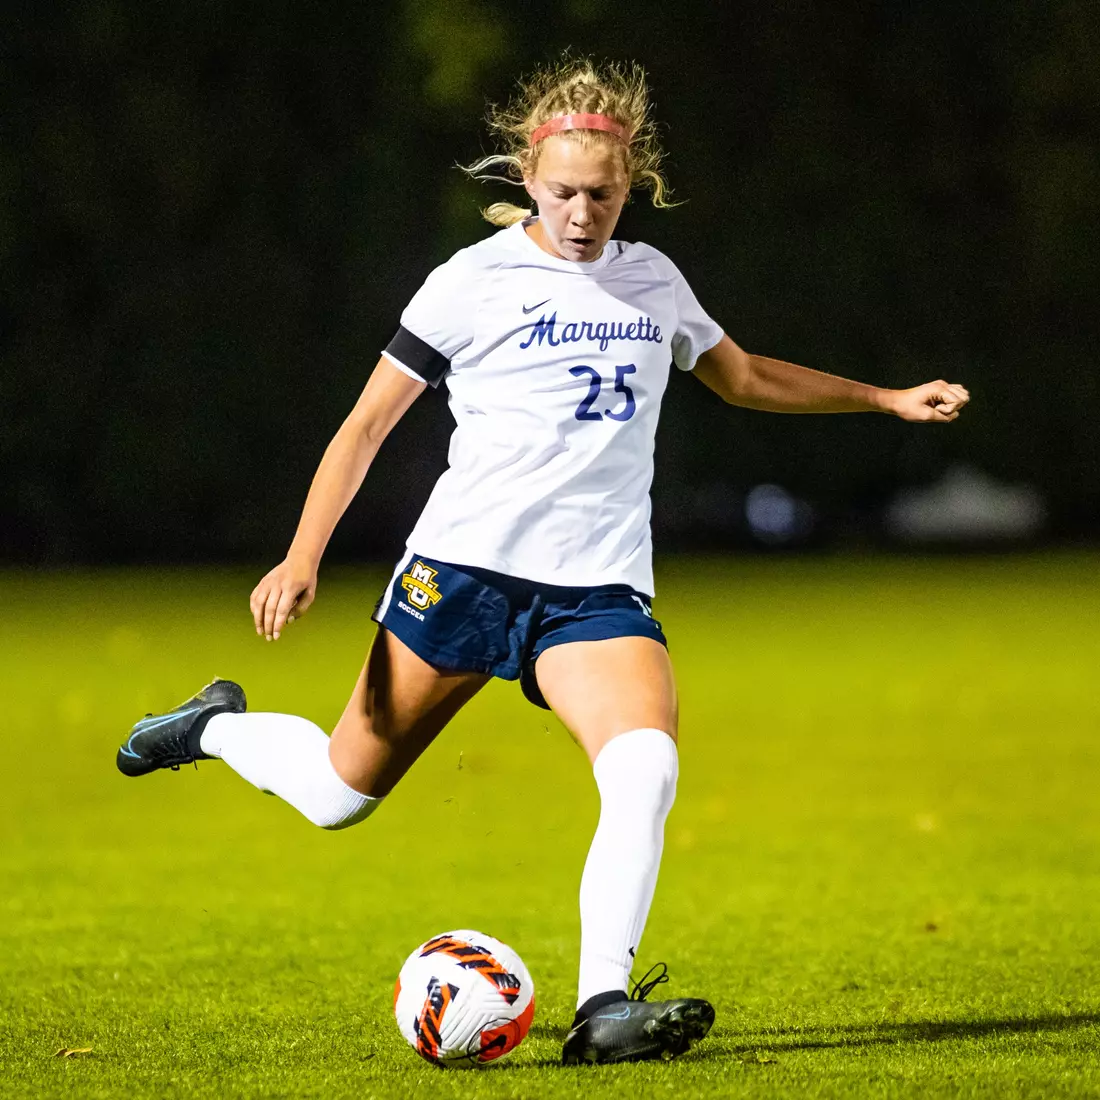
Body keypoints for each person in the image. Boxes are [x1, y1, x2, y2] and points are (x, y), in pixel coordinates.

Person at [116, 58, 970, 1065]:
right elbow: (362, 428)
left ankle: (602, 1004)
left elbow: (741, 377)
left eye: (599, 195)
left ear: (628, 185)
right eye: (562, 191)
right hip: (461, 577)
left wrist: (882, 398)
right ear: (529, 173)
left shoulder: (651, 279)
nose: (579, 213)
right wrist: (301, 555)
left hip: (593, 592)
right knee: (338, 794)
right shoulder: (469, 282)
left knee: (643, 765)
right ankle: (213, 728)